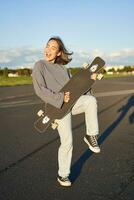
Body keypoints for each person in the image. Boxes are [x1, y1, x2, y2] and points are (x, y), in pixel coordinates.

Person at [32, 36, 100, 187]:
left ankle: (91, 135)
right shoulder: (39, 65)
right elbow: (40, 90)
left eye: (53, 48)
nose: (48, 50)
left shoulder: (64, 69)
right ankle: (63, 175)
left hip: (71, 104)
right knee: (67, 141)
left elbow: (76, 89)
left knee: (90, 101)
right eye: (47, 46)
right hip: (57, 108)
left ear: (58, 53)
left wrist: (90, 82)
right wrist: (60, 97)